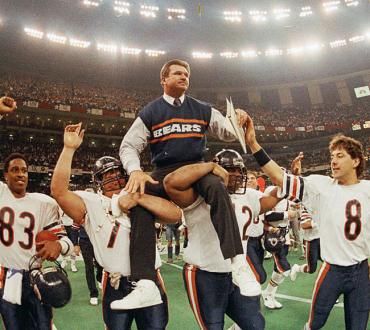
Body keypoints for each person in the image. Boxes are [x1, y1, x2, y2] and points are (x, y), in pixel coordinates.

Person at [119, 59, 257, 308]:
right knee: (138, 198)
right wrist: (135, 171)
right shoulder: (150, 111)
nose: (184, 77)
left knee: (216, 185)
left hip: (196, 168)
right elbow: (128, 145)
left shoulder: (202, 108)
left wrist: (238, 119)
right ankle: (146, 282)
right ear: (164, 79)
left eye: (187, 74)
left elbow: (227, 132)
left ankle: (237, 263)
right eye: (178, 73)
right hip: (163, 169)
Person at [243, 114, 370, 330]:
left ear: (356, 161)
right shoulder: (320, 186)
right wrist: (254, 144)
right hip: (333, 270)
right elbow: (279, 178)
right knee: (314, 324)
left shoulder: (367, 189)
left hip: (361, 270)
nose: (333, 160)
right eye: (332, 156)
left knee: (358, 326)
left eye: (340, 156)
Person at [51, 123, 182, 329]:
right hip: (115, 282)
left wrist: (138, 199)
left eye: (115, 172)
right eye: (106, 175)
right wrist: (69, 149)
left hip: (150, 279)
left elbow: (175, 215)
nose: (112, 177)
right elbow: (58, 191)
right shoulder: (91, 203)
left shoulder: (139, 193)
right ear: (98, 181)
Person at [163, 149, 283, 329]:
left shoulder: (248, 196)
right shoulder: (198, 196)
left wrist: (291, 176)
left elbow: (277, 194)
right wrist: (209, 166)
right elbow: (170, 182)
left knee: (255, 324)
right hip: (204, 274)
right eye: (228, 169)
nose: (233, 175)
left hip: (235, 275)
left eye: (237, 170)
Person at [0, 96, 73, 330]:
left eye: (24, 170)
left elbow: (66, 240)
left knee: (43, 326)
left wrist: (59, 247)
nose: (20, 174)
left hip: (34, 277)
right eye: (14, 170)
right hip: (5, 276)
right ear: (5, 176)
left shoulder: (42, 203)